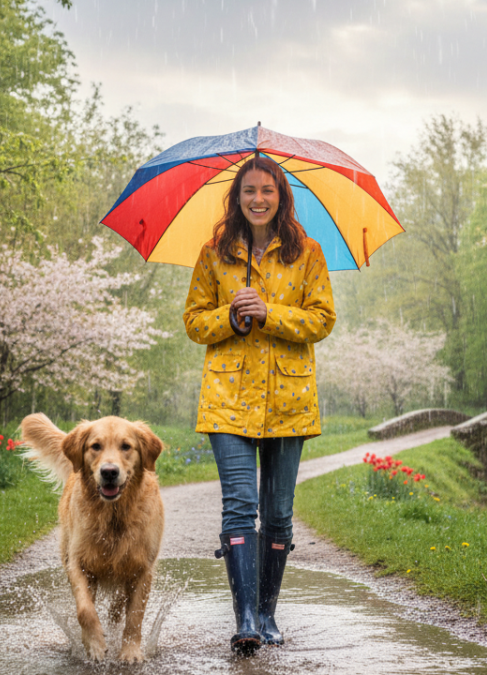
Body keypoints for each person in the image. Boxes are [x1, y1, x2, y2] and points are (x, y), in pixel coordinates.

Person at [183, 154, 336, 655]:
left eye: (267, 190)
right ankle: (245, 617)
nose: (257, 199)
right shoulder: (214, 253)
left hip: (289, 400)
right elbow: (193, 322)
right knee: (240, 507)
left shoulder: (306, 253)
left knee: (278, 515)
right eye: (248, 190)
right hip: (228, 399)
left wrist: (270, 314)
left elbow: (321, 320)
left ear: (281, 195)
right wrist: (229, 316)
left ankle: (268, 612)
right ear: (236, 196)